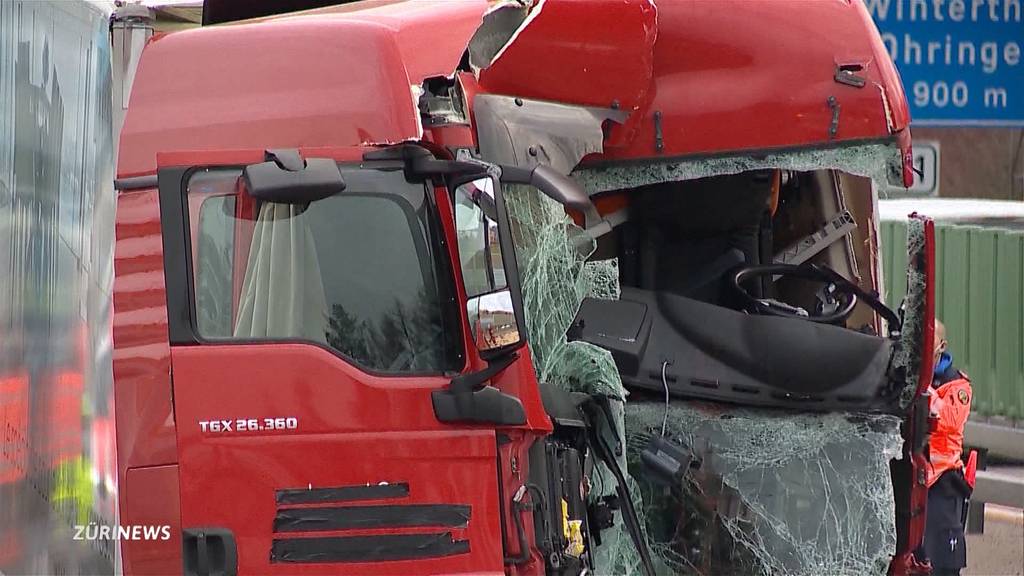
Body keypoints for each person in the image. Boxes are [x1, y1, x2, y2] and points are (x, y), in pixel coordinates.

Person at [920, 319, 973, 576]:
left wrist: (923, 389)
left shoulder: (958, 385)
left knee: (943, 558)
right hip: (912, 473)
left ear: (942, 345)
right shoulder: (904, 375)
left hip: (943, 480)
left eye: (930, 339)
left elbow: (949, 421)